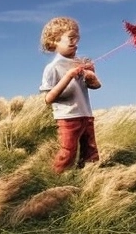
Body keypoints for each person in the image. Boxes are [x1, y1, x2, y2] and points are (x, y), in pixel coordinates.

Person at [39, 16, 102, 173]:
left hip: (86, 115)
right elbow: (48, 99)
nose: (75, 42)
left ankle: (90, 178)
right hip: (67, 118)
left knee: (91, 151)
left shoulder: (80, 62)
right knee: (68, 152)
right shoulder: (52, 67)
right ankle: (58, 179)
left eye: (77, 38)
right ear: (55, 41)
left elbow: (96, 86)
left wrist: (91, 78)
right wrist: (68, 76)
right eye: (70, 38)